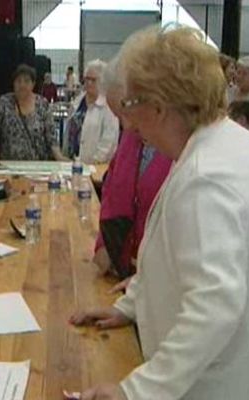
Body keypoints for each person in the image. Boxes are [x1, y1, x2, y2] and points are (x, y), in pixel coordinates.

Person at [70, 26, 249, 400]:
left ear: (159, 106)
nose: (128, 126)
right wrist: (132, 306)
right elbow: (178, 252)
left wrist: (138, 390)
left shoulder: (208, 176)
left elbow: (215, 304)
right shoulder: (214, 145)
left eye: (130, 108)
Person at [93, 57, 171, 288]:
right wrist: (103, 243)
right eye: (118, 118)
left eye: (128, 114)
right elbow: (112, 193)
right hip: (125, 276)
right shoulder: (131, 137)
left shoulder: (178, 147)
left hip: (157, 284)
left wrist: (147, 283)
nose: (126, 126)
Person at [0, 64, 66, 162]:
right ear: (14, 83)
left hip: (39, 166)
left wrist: (59, 157)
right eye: (18, 81)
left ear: (33, 84)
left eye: (26, 81)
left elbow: (51, 135)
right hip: (9, 166)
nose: (22, 85)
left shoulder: (42, 104)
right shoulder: (4, 102)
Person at [64, 59, 120, 164]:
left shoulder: (108, 107)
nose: (89, 83)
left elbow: (109, 143)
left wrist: (93, 163)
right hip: (71, 163)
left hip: (94, 168)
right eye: (87, 79)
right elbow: (68, 132)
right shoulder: (77, 102)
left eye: (93, 80)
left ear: (102, 82)